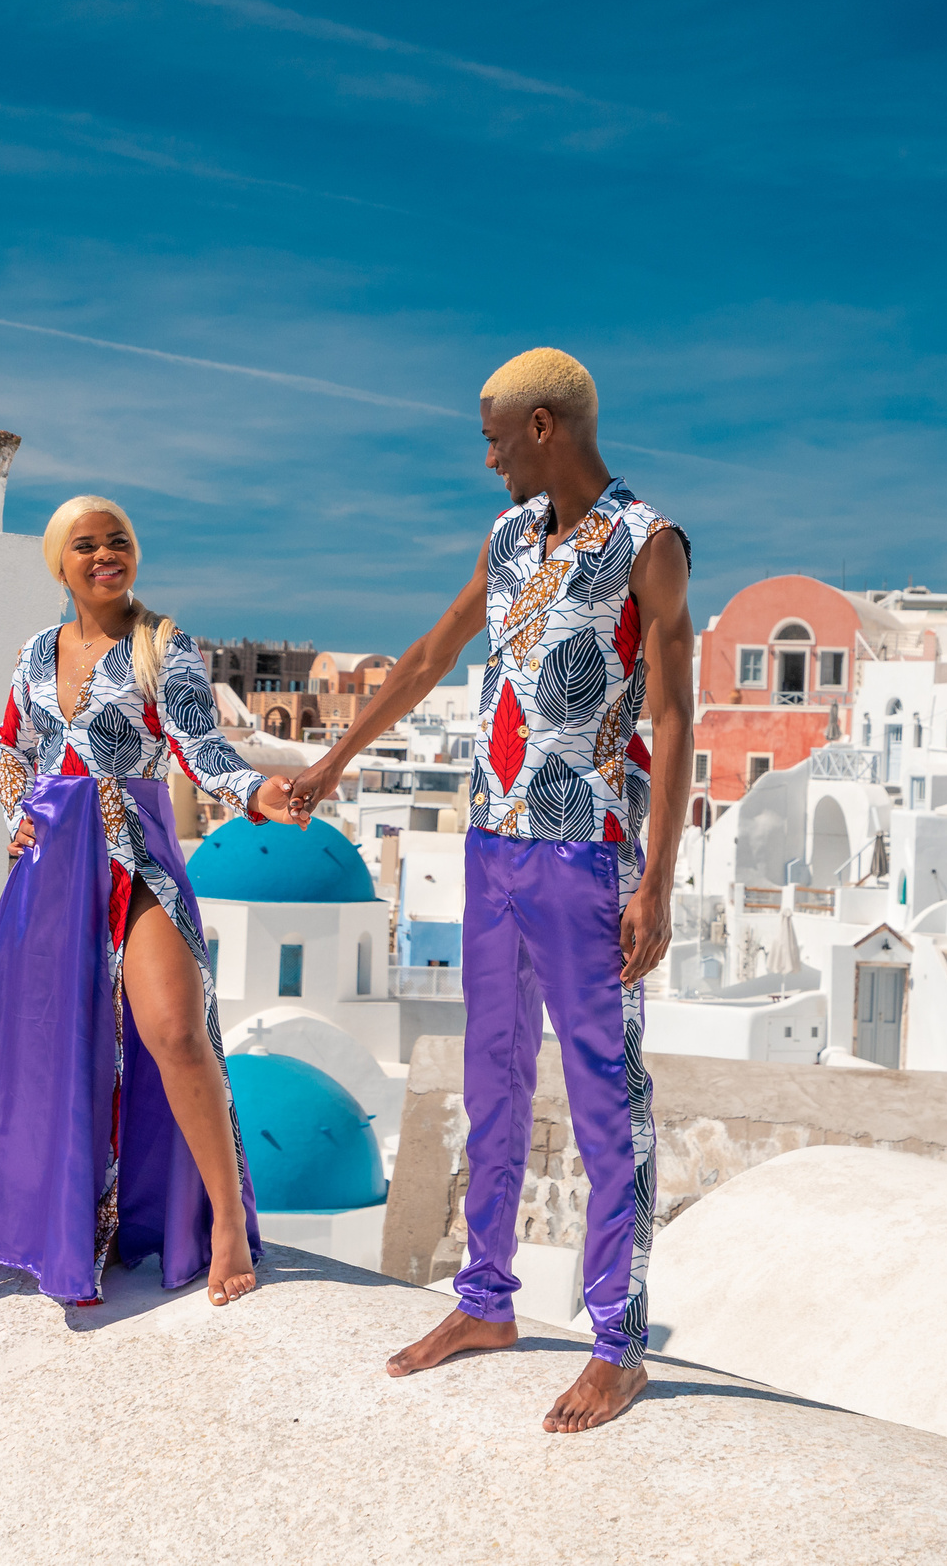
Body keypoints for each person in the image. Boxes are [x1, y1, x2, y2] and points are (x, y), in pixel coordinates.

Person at [290, 348, 694, 1432]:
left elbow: (673, 718)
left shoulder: (645, 543)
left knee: (608, 1099)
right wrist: (330, 766)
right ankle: (487, 1302)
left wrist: (655, 880)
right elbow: (428, 656)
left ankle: (617, 1343)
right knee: (493, 1082)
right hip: (491, 843)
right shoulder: (511, 539)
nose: (486, 458)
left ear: (547, 427)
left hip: (587, 852)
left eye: (494, 437)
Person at [0, 495, 297, 1308]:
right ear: (60, 561)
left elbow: (198, 746)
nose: (105, 554)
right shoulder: (36, 654)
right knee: (57, 1051)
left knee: (174, 1032)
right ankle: (66, 1225)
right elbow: (12, 746)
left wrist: (257, 793)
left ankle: (223, 1222)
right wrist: (18, 821)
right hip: (53, 862)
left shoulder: (162, 646)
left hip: (136, 849)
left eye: (118, 540)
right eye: (86, 545)